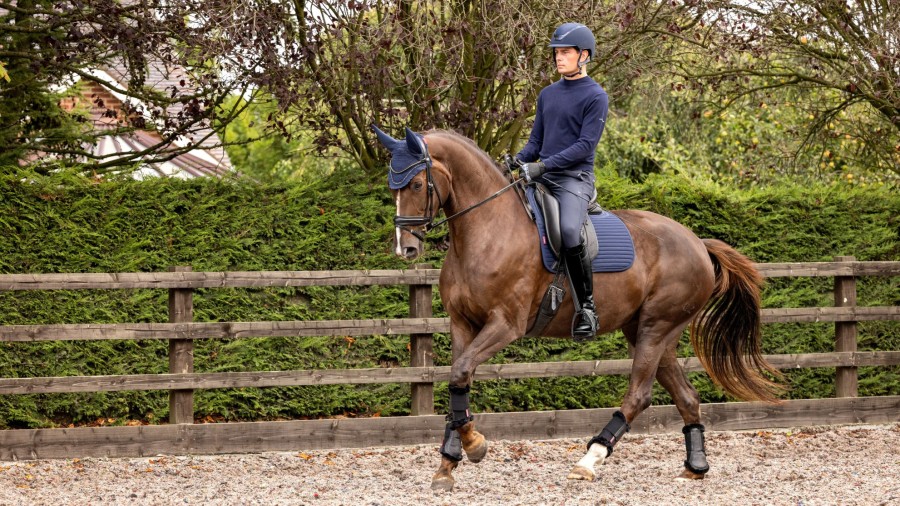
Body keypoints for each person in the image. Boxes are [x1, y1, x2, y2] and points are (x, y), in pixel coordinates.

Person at [515, 22, 609, 340]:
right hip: (544, 176)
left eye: (565, 52)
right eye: (557, 52)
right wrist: (517, 160)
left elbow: (585, 145)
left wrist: (543, 167)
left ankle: (587, 309)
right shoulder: (547, 95)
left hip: (574, 179)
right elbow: (535, 143)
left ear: (584, 55)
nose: (559, 57)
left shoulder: (596, 96)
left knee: (570, 231)